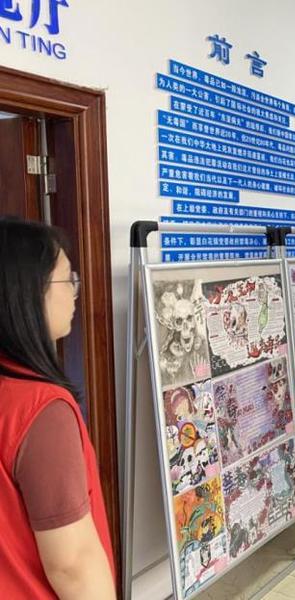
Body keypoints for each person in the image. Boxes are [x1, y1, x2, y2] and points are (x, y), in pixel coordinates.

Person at [0, 218, 116, 598]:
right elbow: (73, 565)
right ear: (28, 294)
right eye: (69, 279)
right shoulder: (40, 411)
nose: (76, 292)